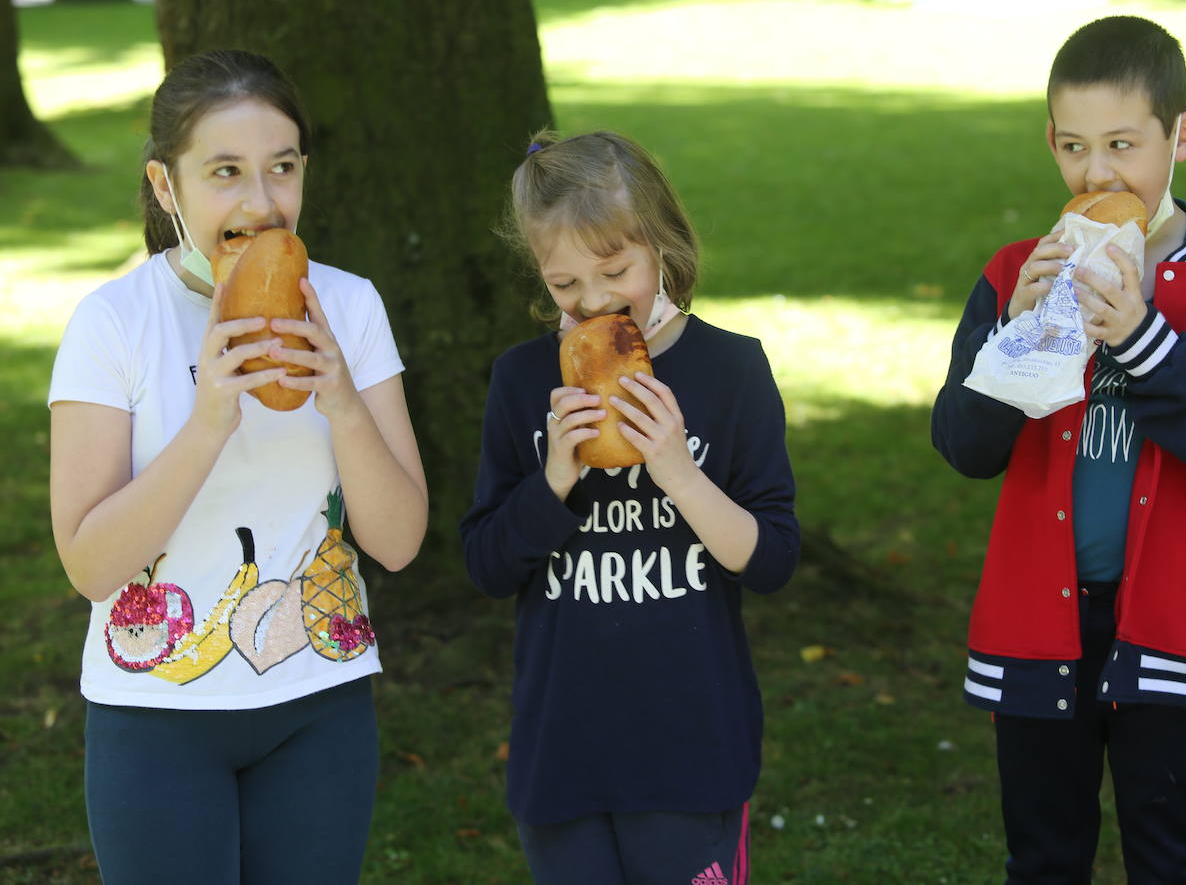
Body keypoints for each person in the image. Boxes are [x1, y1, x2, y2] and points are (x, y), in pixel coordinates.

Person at [47, 49, 427, 884]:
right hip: (155, 712)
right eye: (226, 172)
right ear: (165, 185)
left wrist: (342, 401)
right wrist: (210, 420)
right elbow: (89, 563)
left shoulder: (350, 307)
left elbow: (398, 543)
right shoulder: (114, 323)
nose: (260, 202)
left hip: (320, 702)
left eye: (281, 168)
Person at [931, 16, 1186, 883]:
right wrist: (1013, 337)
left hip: (1174, 627)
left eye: (1124, 144)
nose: (1097, 172)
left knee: (1169, 859)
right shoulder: (1019, 269)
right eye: (1074, 146)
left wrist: (1143, 338)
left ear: (1182, 137)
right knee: (1045, 856)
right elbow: (964, 446)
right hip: (1034, 623)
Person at [460, 130, 798, 885]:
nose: (595, 302)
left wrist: (679, 472)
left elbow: (772, 559)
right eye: (564, 284)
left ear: (663, 246)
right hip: (563, 755)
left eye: (616, 271)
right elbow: (486, 564)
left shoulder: (731, 369)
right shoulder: (521, 381)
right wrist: (552, 478)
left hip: (694, 753)